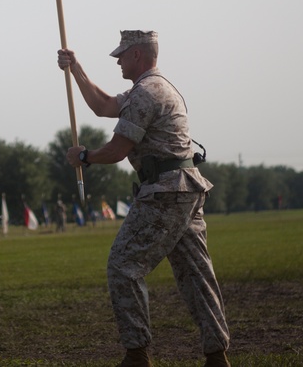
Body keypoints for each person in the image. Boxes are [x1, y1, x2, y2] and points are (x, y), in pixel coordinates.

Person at [59, 30, 230, 367]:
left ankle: (137, 354)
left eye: (122, 54)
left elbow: (118, 150)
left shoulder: (146, 94)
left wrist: (84, 157)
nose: (118, 60)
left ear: (138, 54)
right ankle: (217, 355)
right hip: (185, 189)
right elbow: (104, 105)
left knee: (123, 267)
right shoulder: (154, 88)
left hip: (165, 192)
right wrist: (75, 68)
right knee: (196, 275)